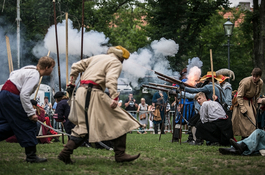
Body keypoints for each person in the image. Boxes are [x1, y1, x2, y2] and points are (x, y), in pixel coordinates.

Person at [58, 46, 142, 164]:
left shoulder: (97, 57)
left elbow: (75, 66)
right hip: (93, 93)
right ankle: (120, 154)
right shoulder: (116, 62)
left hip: (82, 92)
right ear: (121, 57)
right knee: (121, 120)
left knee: (83, 126)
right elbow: (111, 79)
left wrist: (72, 82)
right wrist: (114, 97)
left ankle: (65, 153)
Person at [0, 56, 55, 163]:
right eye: (52, 67)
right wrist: (31, 113)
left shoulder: (28, 69)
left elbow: (13, 74)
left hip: (4, 95)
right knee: (28, 123)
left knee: (8, 124)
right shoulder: (35, 75)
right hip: (11, 96)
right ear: (47, 67)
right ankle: (31, 156)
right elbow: (24, 95)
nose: (52, 70)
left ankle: (31, 155)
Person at [232, 68, 263, 140]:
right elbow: (239, 96)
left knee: (253, 122)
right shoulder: (245, 82)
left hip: (250, 101)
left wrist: (255, 105)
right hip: (242, 101)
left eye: (256, 76)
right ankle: (245, 139)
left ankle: (249, 139)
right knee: (246, 122)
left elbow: (257, 95)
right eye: (253, 76)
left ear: (259, 77)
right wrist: (242, 108)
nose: (254, 78)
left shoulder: (260, 82)